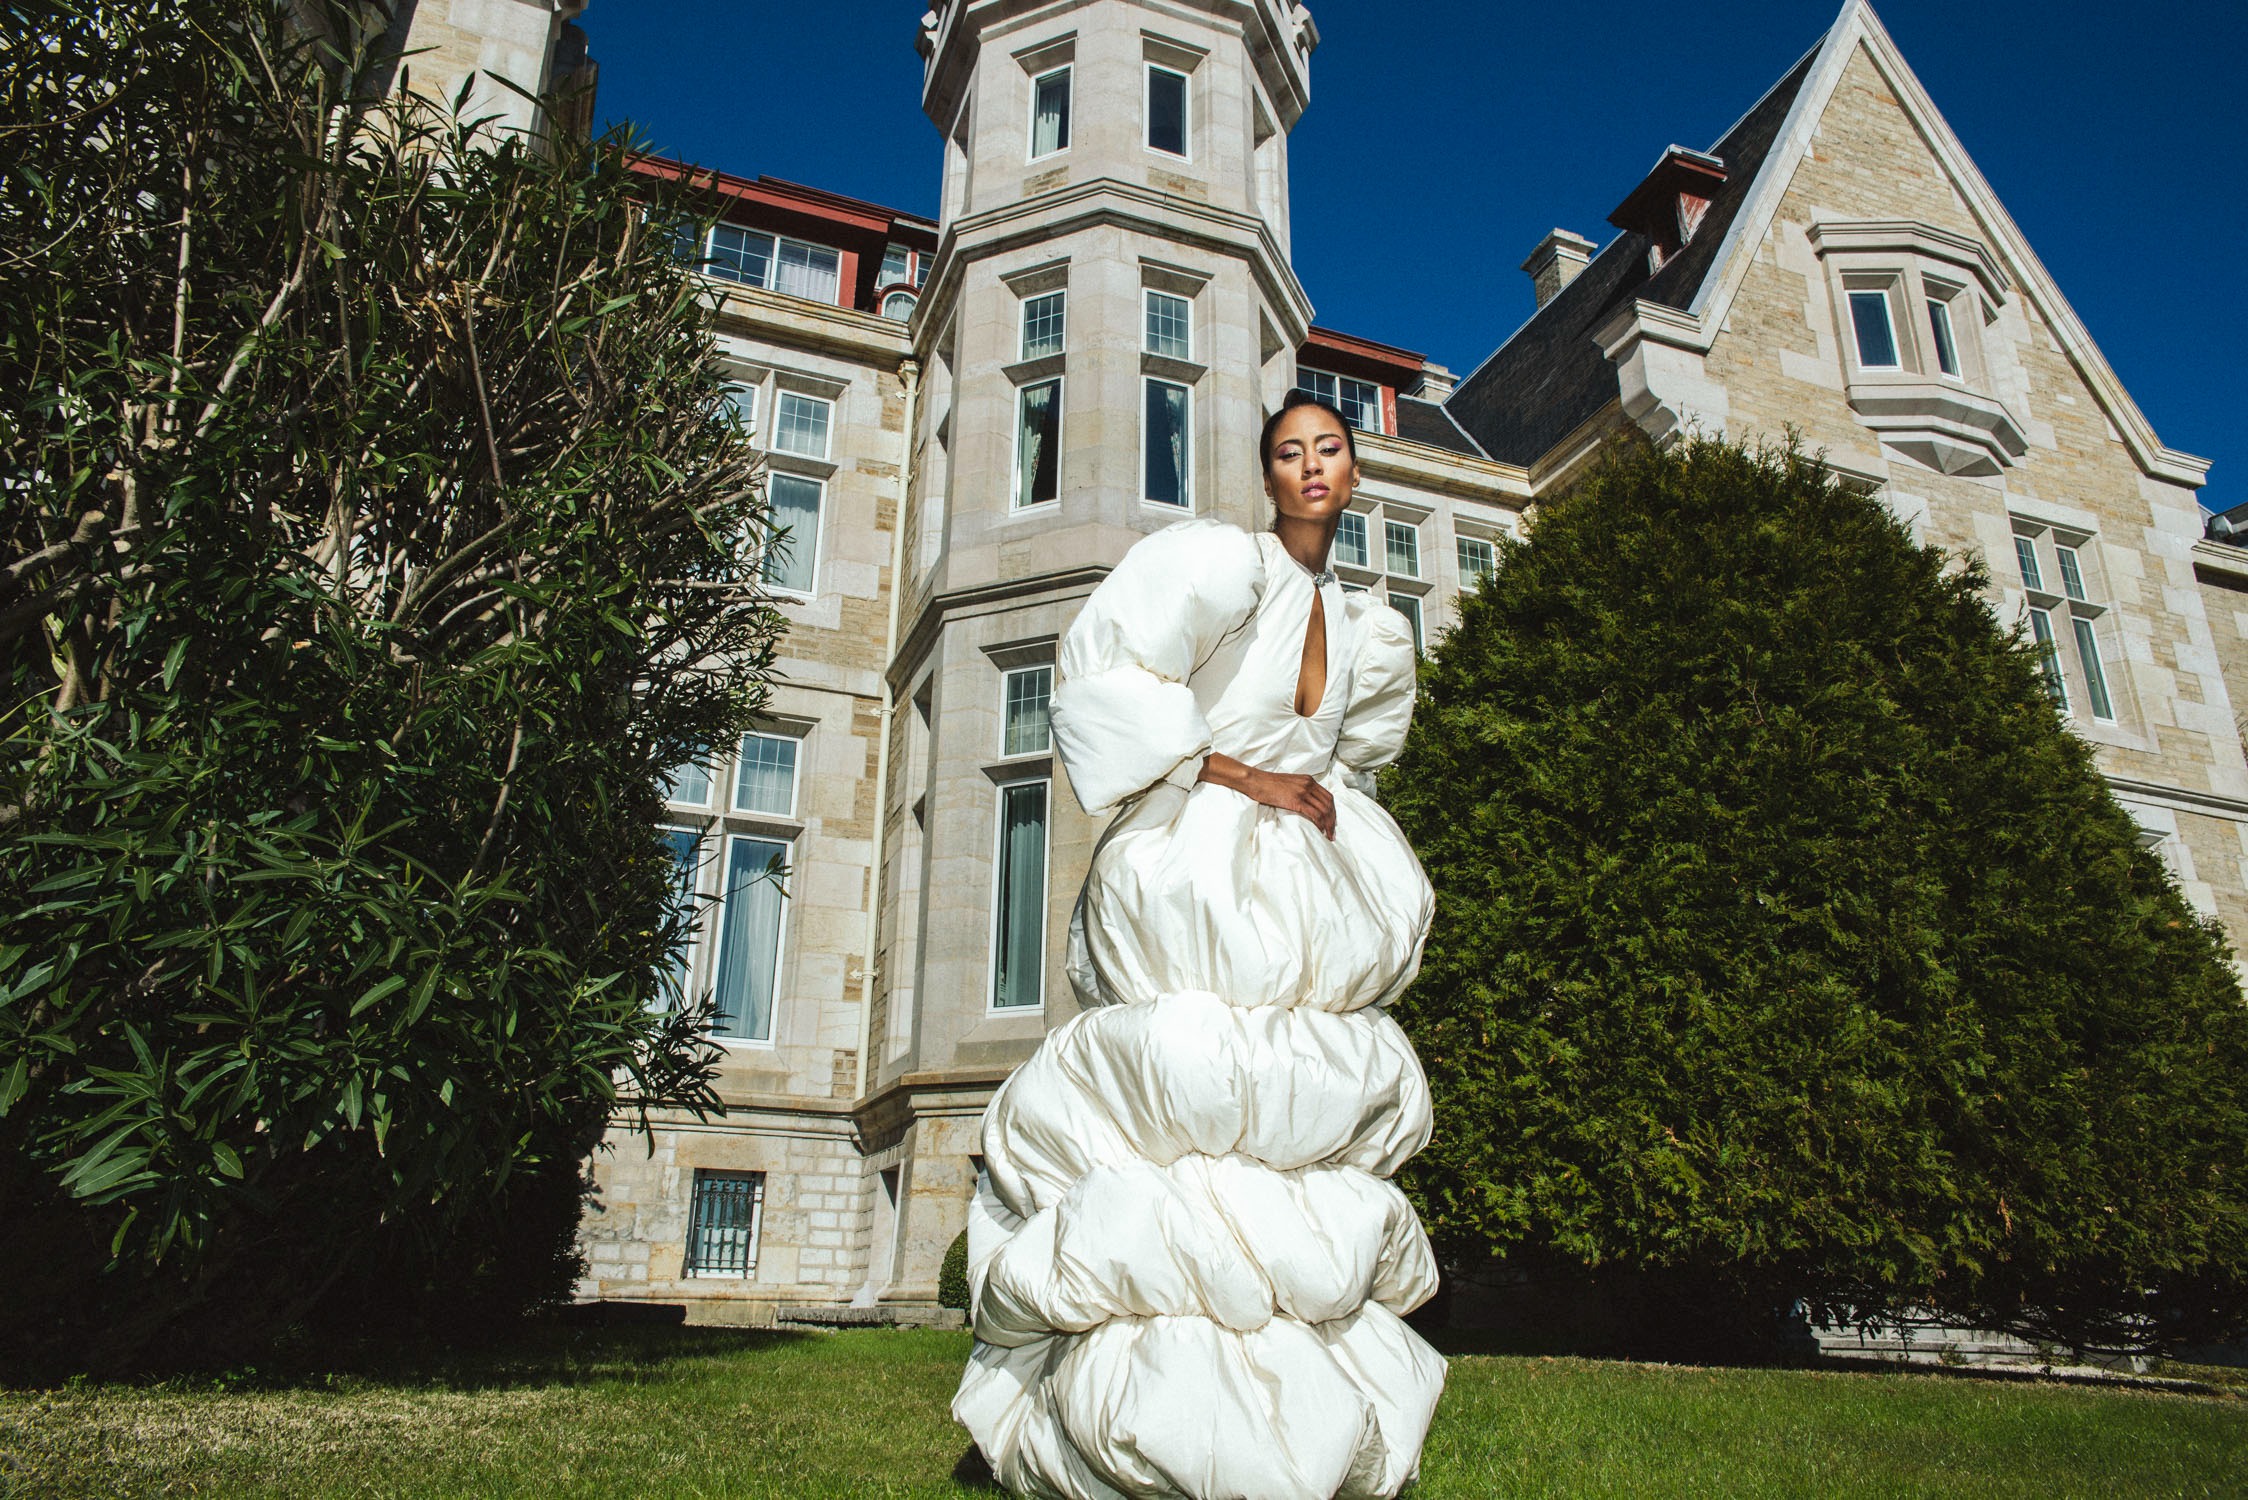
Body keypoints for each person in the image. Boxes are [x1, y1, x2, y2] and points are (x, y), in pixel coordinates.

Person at [952, 393, 1446, 1500]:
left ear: (1355, 471)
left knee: (1288, 1109)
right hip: (1200, 857)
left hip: (1303, 878)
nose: (1310, 467)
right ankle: (1151, 1414)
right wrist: (1244, 776)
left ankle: (1292, 1421)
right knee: (1193, 1083)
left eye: (1328, 450)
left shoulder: (1367, 626)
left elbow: (1353, 754)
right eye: (1288, 452)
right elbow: (1112, 676)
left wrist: (1321, 819)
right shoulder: (1227, 566)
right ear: (1265, 472)